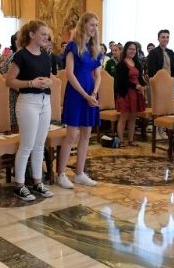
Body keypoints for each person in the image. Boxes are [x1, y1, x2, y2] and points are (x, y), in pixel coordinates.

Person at [6, 20, 54, 201]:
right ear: (32, 35)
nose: (46, 37)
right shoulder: (21, 55)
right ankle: (19, 185)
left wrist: (48, 82)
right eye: (42, 34)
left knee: (39, 145)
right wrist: (31, 83)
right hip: (28, 102)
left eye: (46, 34)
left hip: (44, 101)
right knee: (27, 145)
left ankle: (37, 182)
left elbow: (47, 78)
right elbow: (9, 81)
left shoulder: (45, 55)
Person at [56, 12, 102, 189]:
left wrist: (95, 93)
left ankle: (79, 173)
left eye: (96, 25)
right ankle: (61, 174)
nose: (94, 28)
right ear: (83, 25)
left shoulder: (95, 49)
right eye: (92, 25)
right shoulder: (73, 46)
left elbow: (98, 75)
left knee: (86, 134)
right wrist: (85, 95)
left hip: (91, 94)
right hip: (76, 94)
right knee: (72, 134)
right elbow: (69, 73)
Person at [114, 41, 146, 147]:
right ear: (126, 50)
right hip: (126, 93)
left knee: (133, 117)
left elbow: (140, 78)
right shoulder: (121, 64)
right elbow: (122, 81)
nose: (132, 51)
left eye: (134, 49)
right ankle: (121, 140)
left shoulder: (137, 63)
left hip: (136, 94)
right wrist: (135, 86)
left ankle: (131, 140)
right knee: (123, 117)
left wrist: (144, 85)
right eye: (130, 49)